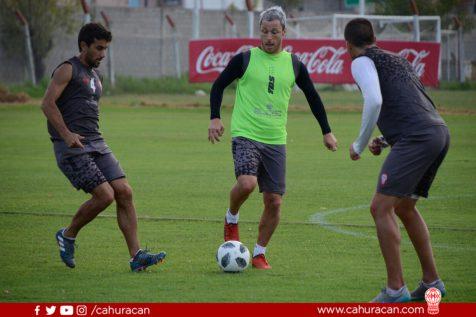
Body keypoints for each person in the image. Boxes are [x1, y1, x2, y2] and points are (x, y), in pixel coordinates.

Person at [208, 6, 338, 270]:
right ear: (260, 31)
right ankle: (231, 218)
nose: (269, 37)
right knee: (246, 184)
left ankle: (258, 253)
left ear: (284, 32)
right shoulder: (244, 59)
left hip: (276, 139)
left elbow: (314, 98)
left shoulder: (294, 65)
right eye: (265, 31)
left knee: (274, 201)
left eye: (274, 32)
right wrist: (215, 117)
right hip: (246, 133)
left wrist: (326, 131)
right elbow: (218, 85)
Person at [41, 23, 166, 272]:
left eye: (106, 48)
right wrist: (66, 135)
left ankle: (136, 256)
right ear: (83, 46)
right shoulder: (67, 69)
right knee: (105, 195)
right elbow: (47, 104)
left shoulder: (97, 78)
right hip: (72, 147)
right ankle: (68, 234)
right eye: (98, 48)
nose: (103, 54)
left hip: (96, 142)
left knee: (124, 191)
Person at [344, 18, 449, 302]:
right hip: (437, 131)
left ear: (348, 46)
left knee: (380, 208)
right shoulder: (396, 58)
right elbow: (415, 101)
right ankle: (432, 283)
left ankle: (395, 290)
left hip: (417, 137)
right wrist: (386, 140)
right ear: (374, 37)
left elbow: (375, 101)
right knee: (404, 207)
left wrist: (360, 144)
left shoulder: (360, 60)